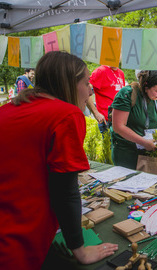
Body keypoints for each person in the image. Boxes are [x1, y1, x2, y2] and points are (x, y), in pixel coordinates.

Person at [0, 51, 118, 270]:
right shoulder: (66, 115)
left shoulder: (8, 109)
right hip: (17, 238)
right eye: (86, 82)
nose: (90, 90)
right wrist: (79, 249)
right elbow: (66, 190)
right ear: (69, 84)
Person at [110, 70, 157, 169]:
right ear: (146, 87)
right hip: (127, 154)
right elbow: (118, 126)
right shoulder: (127, 94)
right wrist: (144, 142)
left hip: (147, 153)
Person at [87, 65, 126, 133]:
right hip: (106, 122)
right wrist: (96, 113)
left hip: (119, 122)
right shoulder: (101, 71)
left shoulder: (121, 73)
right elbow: (85, 90)